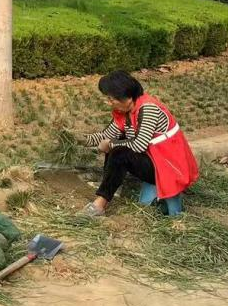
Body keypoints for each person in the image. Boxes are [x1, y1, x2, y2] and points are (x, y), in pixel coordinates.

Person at [79, 70, 199, 217]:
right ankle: (110, 186)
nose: (108, 103)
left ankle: (99, 205)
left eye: (111, 99)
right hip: (154, 160)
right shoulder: (125, 112)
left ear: (127, 97)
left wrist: (110, 145)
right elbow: (106, 136)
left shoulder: (148, 109)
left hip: (168, 168)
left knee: (119, 152)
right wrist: (80, 139)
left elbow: (139, 145)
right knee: (118, 143)